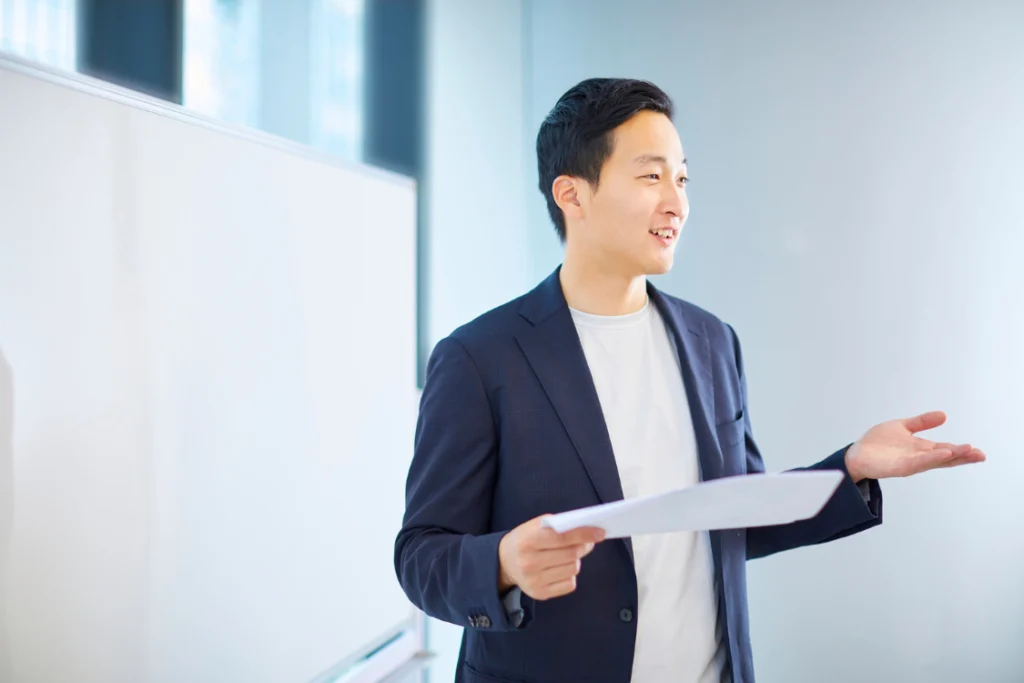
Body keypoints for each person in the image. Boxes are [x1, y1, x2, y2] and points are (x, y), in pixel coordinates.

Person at [393, 78, 985, 683]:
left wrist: (851, 467)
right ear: (572, 194)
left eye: (681, 178)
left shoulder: (711, 341)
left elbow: (736, 515)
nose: (675, 202)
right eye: (650, 177)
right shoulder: (480, 356)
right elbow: (421, 555)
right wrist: (501, 562)